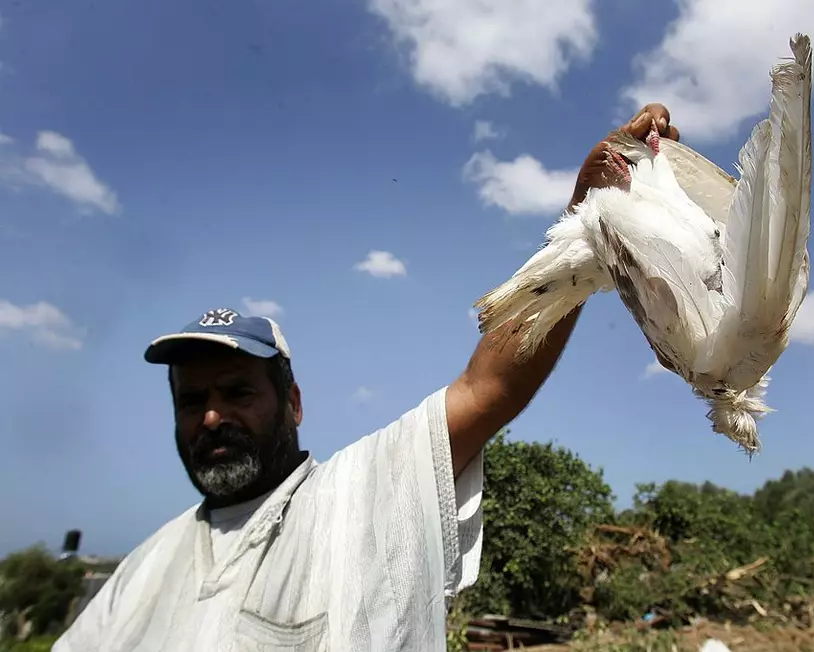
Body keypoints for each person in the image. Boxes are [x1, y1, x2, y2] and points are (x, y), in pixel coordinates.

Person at [53, 103, 681, 651]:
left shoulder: (365, 496)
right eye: (192, 400)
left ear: (292, 402)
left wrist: (587, 214)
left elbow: (489, 387)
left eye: (237, 391)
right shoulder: (139, 576)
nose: (212, 416)